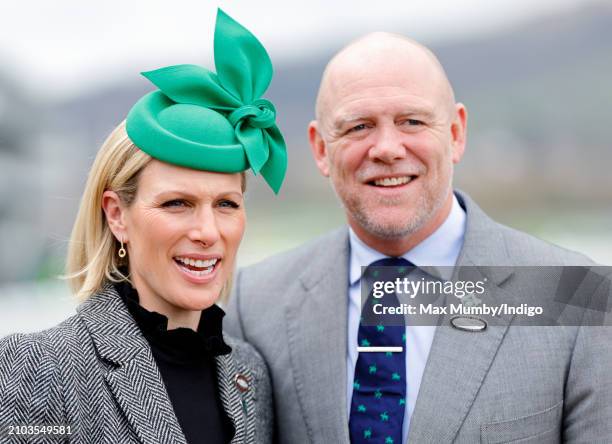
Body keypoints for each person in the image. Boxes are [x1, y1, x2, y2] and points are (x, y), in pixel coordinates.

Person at [225, 32, 612, 443]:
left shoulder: (575, 296)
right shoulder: (255, 303)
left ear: (456, 133)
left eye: (412, 121)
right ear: (321, 148)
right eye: (359, 127)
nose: (387, 149)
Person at [0, 9, 285, 444]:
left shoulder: (250, 376)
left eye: (226, 204)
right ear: (116, 215)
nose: (208, 231)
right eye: (177, 203)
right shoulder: (36, 368)